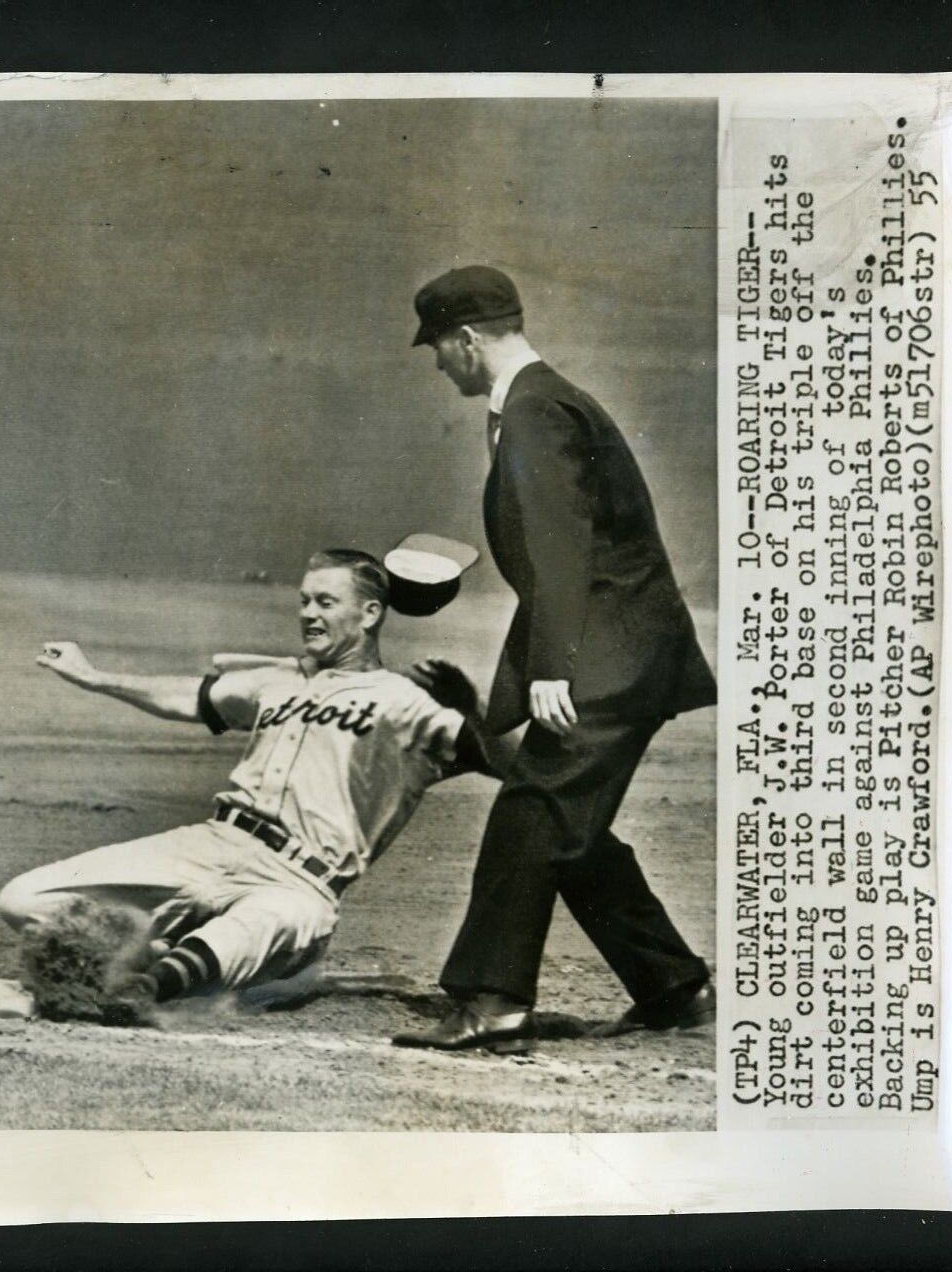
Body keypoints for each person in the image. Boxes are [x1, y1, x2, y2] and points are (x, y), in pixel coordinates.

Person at [391, 265, 716, 1052]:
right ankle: (673, 986)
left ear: (468, 340)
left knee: (533, 811)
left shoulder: (535, 411)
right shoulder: (539, 403)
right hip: (620, 649)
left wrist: (550, 668)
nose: (438, 362)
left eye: (438, 346)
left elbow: (564, 549)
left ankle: (493, 1000)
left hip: (607, 656)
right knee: (568, 825)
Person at [0, 549, 501, 1011]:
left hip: (299, 880)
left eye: (326, 602)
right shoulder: (280, 679)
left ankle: (148, 987)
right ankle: (185, 958)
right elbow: (188, 696)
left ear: (370, 614)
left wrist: (471, 709)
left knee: (264, 921)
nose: (308, 614)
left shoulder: (404, 701)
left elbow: (511, 765)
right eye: (304, 601)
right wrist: (95, 677)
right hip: (212, 844)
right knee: (23, 899)